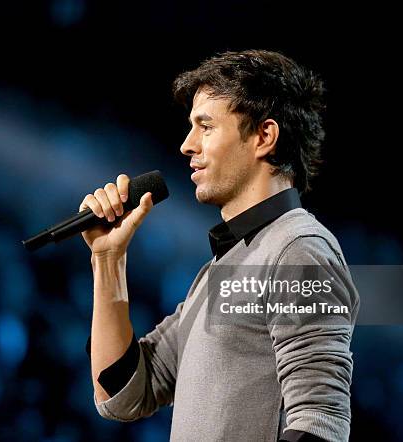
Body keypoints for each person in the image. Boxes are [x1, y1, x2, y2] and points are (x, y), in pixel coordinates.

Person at [80, 50, 359, 442]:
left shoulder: (298, 249)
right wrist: (108, 261)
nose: (186, 145)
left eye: (205, 126)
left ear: (264, 136)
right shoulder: (225, 267)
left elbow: (320, 423)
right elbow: (123, 392)